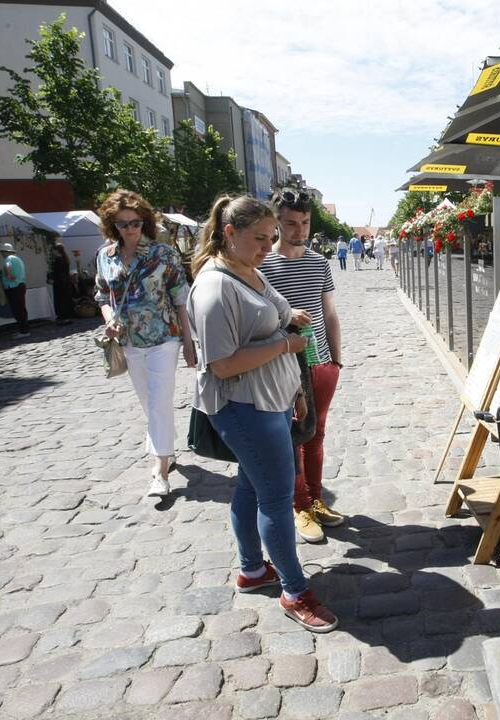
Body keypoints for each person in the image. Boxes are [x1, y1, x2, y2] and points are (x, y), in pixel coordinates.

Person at [187, 194, 338, 634]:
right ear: (229, 233)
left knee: (252, 488)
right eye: (260, 238)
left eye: (273, 237)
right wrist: (286, 346)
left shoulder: (248, 270)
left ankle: (252, 570)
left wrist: (295, 373)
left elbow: (280, 311)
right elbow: (223, 363)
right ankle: (295, 591)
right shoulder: (215, 285)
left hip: (269, 400)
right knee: (274, 496)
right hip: (243, 406)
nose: (269, 247)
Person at [95, 190, 195, 497]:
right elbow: (102, 295)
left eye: (136, 222)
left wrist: (189, 343)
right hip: (129, 341)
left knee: (159, 400)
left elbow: (181, 299)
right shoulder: (105, 256)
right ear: (113, 225)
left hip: (164, 337)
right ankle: (168, 449)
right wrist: (109, 317)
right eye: (123, 224)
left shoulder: (163, 255)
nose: (130, 229)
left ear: (145, 222)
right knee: (148, 402)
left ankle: (160, 470)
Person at [261, 188, 347, 543]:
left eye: (305, 222)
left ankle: (315, 498)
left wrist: (336, 360)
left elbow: (329, 314)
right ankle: (299, 505)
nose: (299, 230)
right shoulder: (263, 265)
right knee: (292, 437)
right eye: (291, 223)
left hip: (321, 363)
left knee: (317, 433)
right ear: (277, 222)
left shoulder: (318, 262)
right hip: (283, 367)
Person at [0, 243, 30, 338]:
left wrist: (8, 275)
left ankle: (24, 331)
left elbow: (8, 266)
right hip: (20, 285)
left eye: (2, 252)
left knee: (17, 310)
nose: (1, 254)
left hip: (14, 287)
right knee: (21, 309)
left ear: (6, 252)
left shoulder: (8, 259)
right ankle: (24, 330)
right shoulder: (18, 259)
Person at [51, 242, 76, 325]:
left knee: (61, 301)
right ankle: (68, 317)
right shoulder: (65, 258)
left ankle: (64, 318)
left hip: (60, 283)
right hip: (66, 282)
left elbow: (58, 273)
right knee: (66, 300)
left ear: (56, 250)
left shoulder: (58, 259)